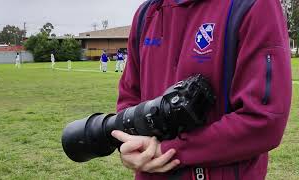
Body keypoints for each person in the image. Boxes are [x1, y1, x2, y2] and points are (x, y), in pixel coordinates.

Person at [111, 0, 292, 180]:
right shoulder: (146, 13)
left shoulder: (254, 5)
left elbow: (264, 120)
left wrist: (169, 150)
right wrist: (129, 145)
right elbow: (129, 98)